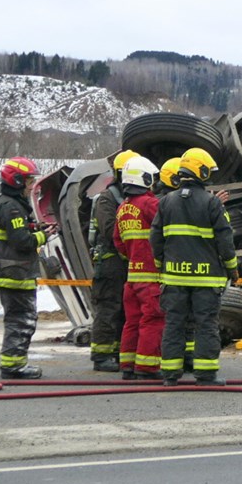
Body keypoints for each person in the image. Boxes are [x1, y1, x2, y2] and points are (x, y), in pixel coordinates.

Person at [151, 147, 238, 386]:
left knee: (174, 324)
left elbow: (155, 238)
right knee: (206, 324)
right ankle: (206, 374)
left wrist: (162, 265)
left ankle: (170, 375)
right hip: (205, 280)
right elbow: (225, 240)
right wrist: (233, 270)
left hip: (174, 280)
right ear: (200, 171)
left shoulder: (166, 202)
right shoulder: (212, 203)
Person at [0, 156, 49, 380]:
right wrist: (43, 235)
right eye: (28, 181)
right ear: (16, 181)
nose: (32, 186)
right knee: (21, 321)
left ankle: (14, 363)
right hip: (14, 273)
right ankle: (13, 366)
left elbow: (18, 232)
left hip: (14, 271)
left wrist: (35, 226)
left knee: (20, 319)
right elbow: (22, 242)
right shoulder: (11, 207)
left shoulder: (10, 203)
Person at [113, 156, 166, 380]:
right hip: (151, 276)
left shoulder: (122, 209)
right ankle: (147, 367)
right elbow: (167, 230)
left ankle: (127, 364)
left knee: (132, 321)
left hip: (132, 277)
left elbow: (118, 242)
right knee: (152, 320)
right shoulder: (150, 204)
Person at [86, 149, 138, 371]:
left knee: (125, 310)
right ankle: (101, 355)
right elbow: (109, 231)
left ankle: (118, 352)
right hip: (110, 263)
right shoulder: (107, 199)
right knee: (109, 308)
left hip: (126, 262)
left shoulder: (131, 198)